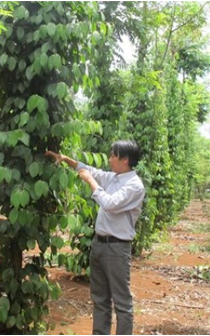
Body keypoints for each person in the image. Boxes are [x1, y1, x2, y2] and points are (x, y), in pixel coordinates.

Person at [46, 140, 145, 335]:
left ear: (125, 159)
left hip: (117, 248)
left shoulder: (135, 186)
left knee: (122, 302)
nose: (109, 159)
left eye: (113, 155)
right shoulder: (114, 178)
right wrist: (66, 159)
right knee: (100, 298)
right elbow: (91, 170)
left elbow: (110, 203)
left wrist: (91, 183)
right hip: (100, 245)